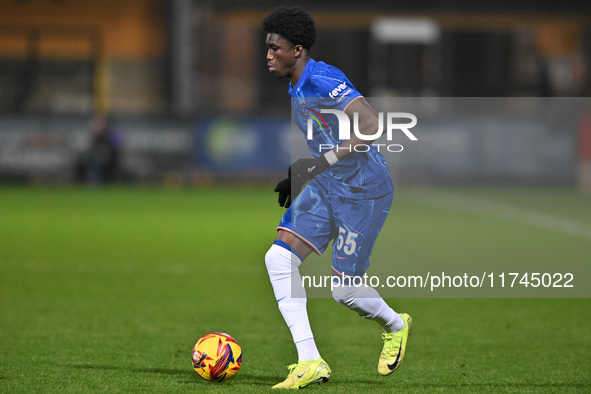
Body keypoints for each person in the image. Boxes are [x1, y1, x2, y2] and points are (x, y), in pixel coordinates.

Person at [263, 6, 413, 390]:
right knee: (278, 257)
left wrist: (318, 163)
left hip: (364, 192)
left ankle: (396, 325)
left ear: (297, 50)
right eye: (267, 47)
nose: (268, 55)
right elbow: (326, 138)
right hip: (328, 186)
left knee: (344, 290)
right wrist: (304, 172)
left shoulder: (322, 78)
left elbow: (372, 124)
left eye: (275, 48)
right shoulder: (296, 84)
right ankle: (309, 360)